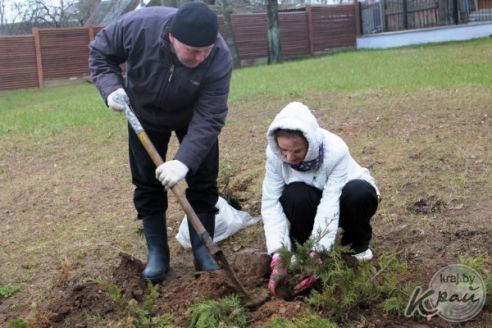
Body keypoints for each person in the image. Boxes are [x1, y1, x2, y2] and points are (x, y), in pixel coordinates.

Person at [88, 2, 233, 283]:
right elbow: (100, 52)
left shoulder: (219, 56)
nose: (202, 57)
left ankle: (203, 251)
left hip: (193, 116)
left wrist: (183, 161)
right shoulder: (139, 26)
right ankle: (158, 254)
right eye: (193, 51)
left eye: (206, 50)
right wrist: (110, 89)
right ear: (172, 38)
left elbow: (211, 115)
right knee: (146, 182)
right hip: (143, 113)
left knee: (203, 181)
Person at [261, 101, 380, 296]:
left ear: (310, 142)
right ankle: (303, 247)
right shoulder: (275, 157)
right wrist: (279, 254)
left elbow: (330, 202)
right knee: (295, 194)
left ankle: (355, 246)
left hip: (344, 200)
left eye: (296, 151)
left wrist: (319, 251)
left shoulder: (335, 151)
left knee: (359, 192)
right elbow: (271, 202)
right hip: (310, 201)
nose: (289, 157)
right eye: (284, 150)